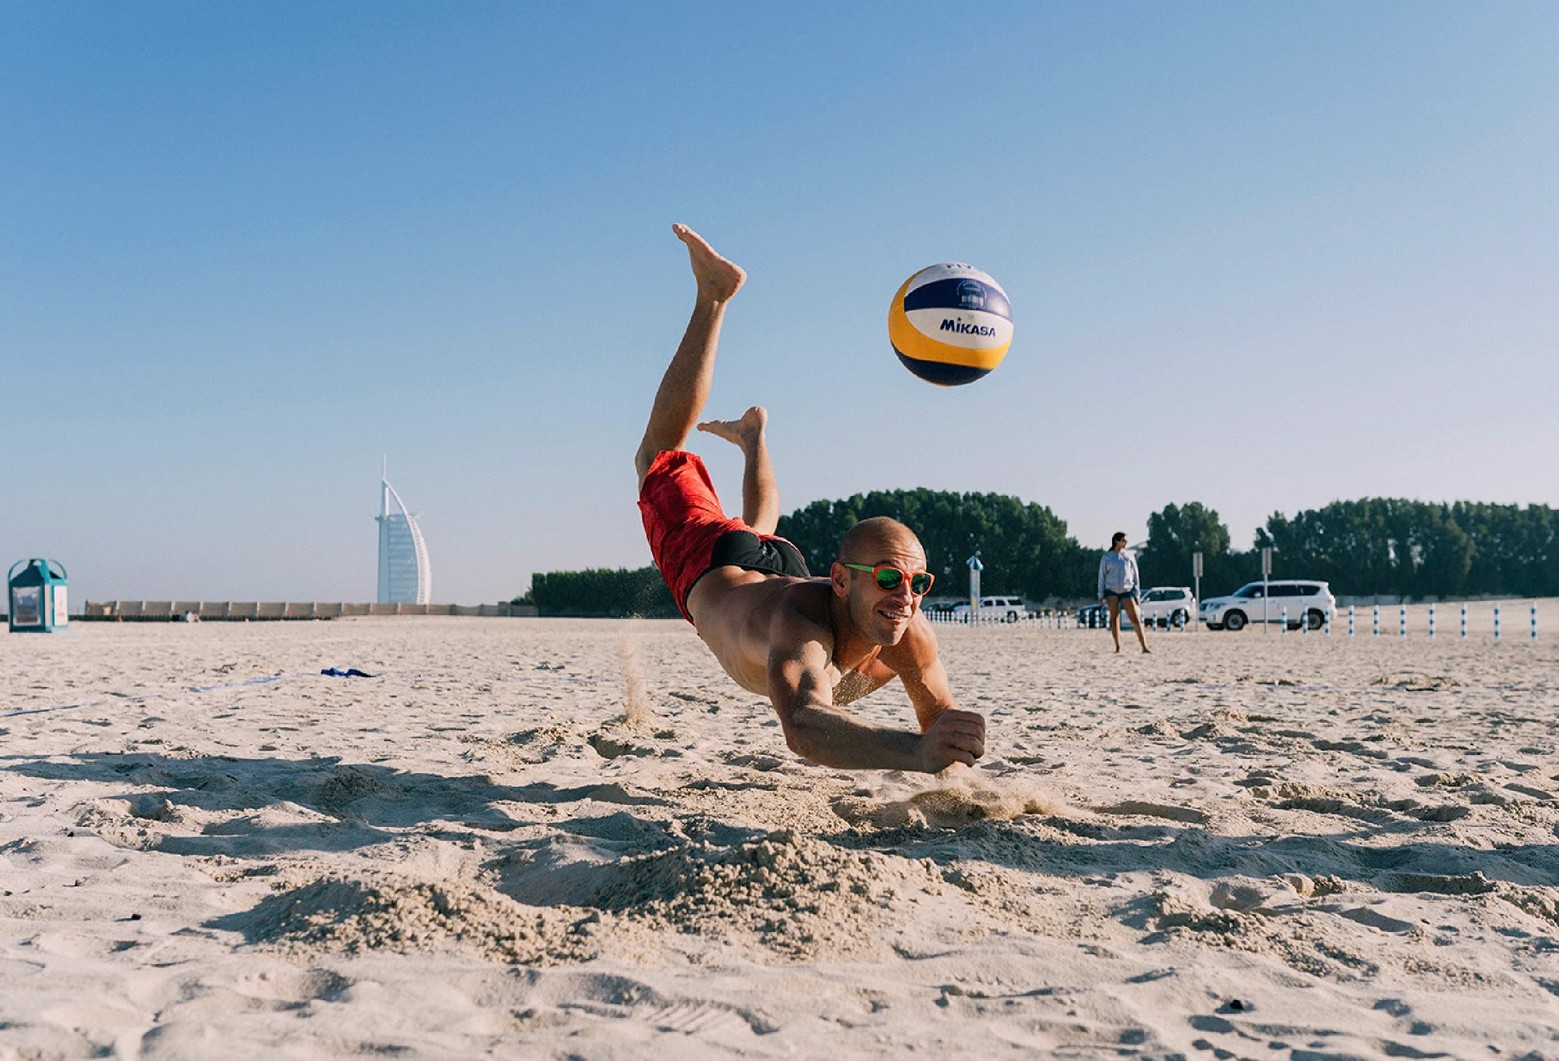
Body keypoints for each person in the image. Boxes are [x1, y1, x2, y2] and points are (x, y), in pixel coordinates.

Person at [635, 223, 986, 773]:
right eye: (891, 579)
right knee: (659, 456)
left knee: (761, 526)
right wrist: (918, 752)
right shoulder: (799, 622)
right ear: (842, 579)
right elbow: (803, 724)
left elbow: (938, 719)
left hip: (772, 562)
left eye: (919, 583)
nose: (906, 596)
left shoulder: (907, 628)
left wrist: (954, 754)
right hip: (713, 566)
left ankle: (753, 439)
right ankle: (714, 296)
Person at [1097, 531, 1150, 654]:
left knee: (1135, 617)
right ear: (1116, 541)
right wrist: (1100, 594)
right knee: (1114, 618)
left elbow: (1135, 575)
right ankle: (1117, 646)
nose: (1125, 543)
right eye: (1123, 541)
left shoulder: (1129, 556)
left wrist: (1137, 593)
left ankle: (1144, 646)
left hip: (1127, 590)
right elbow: (1101, 576)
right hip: (1111, 590)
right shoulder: (1107, 557)